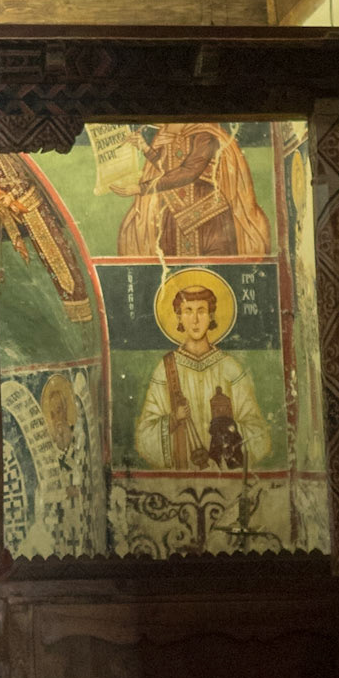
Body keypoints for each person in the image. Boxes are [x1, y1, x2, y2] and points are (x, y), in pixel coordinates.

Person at [135, 281, 269, 470]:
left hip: (226, 476)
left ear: (212, 315)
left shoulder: (230, 368)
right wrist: (174, 419)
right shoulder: (165, 369)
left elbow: (259, 434)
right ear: (179, 317)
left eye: (202, 311)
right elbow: (144, 437)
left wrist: (230, 430)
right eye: (188, 311)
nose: (195, 320)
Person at [116, 122, 271, 258]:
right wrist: (144, 147)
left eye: (167, 123)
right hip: (174, 217)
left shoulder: (206, 137)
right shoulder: (175, 137)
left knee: (214, 274)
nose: (163, 127)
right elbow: (167, 169)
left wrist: (141, 188)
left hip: (209, 218)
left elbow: (189, 172)